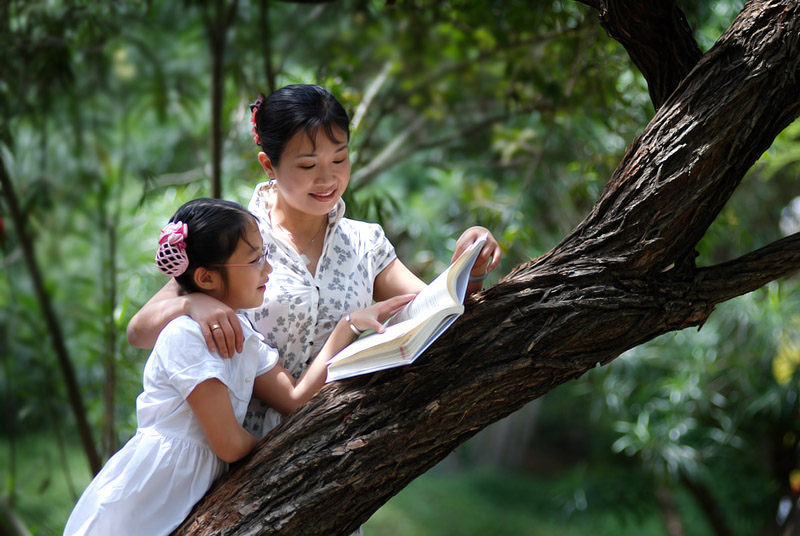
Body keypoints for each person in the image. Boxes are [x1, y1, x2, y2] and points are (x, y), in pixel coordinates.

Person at [127, 83, 502, 438]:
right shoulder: (234, 239)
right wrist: (194, 303)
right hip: (233, 447)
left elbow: (433, 311)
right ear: (268, 165)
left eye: (339, 158)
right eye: (308, 166)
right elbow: (139, 331)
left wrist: (470, 266)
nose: (328, 178)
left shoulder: (365, 242)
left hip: (334, 445)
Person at [66, 198, 412, 536]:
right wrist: (285, 449)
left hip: (185, 495)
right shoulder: (186, 335)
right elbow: (229, 444)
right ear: (205, 279)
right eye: (255, 260)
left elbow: (293, 398)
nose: (269, 269)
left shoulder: (244, 335)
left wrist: (348, 326)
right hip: (145, 499)